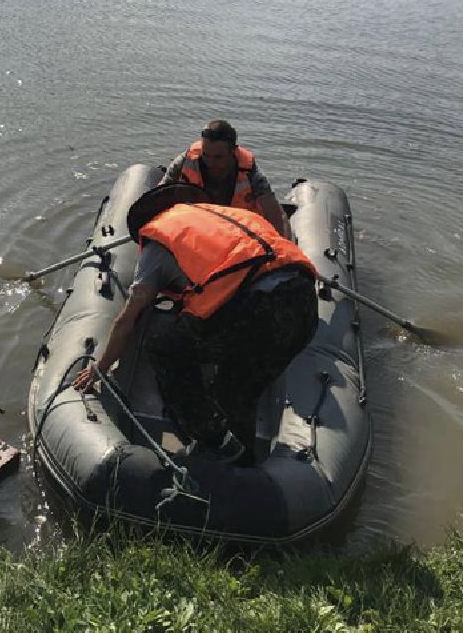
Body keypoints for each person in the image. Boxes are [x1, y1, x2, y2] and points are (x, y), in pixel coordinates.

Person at [72, 184, 318, 463]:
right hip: (304, 308)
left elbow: (129, 317)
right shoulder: (229, 218)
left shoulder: (159, 239)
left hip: (257, 308)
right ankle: (241, 466)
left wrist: (100, 366)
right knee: (237, 387)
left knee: (165, 346)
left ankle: (210, 440)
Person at [160, 119, 288, 237]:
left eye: (218, 157)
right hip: (196, 226)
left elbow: (272, 209)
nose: (210, 163)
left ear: (233, 152)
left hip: (236, 230)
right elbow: (160, 194)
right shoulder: (185, 161)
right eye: (206, 155)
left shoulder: (251, 172)